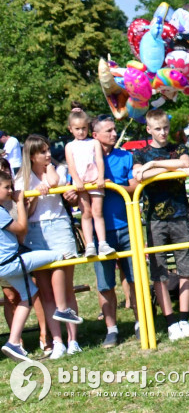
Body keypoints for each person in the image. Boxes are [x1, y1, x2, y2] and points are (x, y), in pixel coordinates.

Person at [16, 134, 83, 358]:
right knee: (45, 291)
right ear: (31, 156)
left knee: (66, 287)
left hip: (59, 226)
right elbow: (27, 213)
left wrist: (48, 170)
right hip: (35, 232)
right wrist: (34, 198)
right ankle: (57, 341)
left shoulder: (58, 170)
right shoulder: (21, 180)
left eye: (48, 150)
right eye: (42, 152)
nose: (47, 154)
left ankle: (73, 340)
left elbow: (55, 183)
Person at [133, 108, 189, 342]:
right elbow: (138, 175)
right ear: (149, 130)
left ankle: (184, 318)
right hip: (154, 220)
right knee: (158, 270)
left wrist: (153, 167)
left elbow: (184, 162)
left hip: (180, 215)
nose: (162, 132)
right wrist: (152, 168)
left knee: (186, 266)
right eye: (157, 129)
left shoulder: (178, 147)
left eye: (165, 128)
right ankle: (170, 321)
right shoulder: (141, 154)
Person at [1, 170, 63, 362]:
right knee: (59, 255)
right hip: (11, 263)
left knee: (28, 296)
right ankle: (61, 306)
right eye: (6, 187)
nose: (11, 190)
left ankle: (13, 342)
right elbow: (22, 228)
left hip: (5, 265)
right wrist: (19, 203)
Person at [91, 115, 140, 347]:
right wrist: (70, 196)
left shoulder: (125, 156)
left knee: (135, 279)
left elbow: (134, 186)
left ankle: (141, 322)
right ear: (95, 135)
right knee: (105, 284)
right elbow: (73, 193)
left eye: (114, 129)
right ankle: (111, 328)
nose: (114, 134)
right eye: (108, 130)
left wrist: (113, 186)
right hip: (101, 235)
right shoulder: (86, 159)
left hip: (127, 228)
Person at [65, 108, 113, 258]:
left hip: (94, 180)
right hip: (81, 183)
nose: (80, 132)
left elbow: (99, 160)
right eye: (77, 129)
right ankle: (90, 244)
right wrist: (77, 181)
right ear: (70, 129)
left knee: (97, 212)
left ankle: (103, 243)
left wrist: (100, 177)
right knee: (86, 213)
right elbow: (71, 165)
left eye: (83, 128)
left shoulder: (94, 143)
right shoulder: (70, 146)